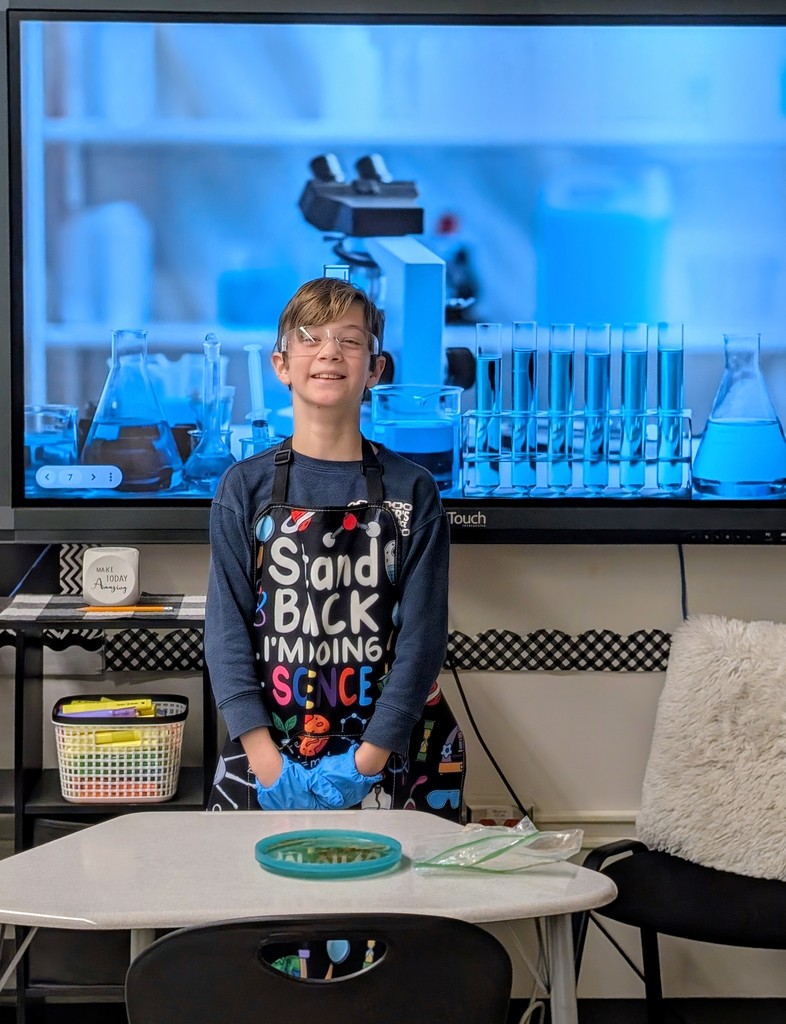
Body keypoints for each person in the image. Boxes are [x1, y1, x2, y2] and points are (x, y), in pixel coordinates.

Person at [205, 277, 463, 815]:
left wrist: (366, 762)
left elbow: (422, 639)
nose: (329, 352)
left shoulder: (413, 490)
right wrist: (266, 763)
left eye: (350, 340)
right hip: (264, 760)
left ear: (375, 368)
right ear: (281, 364)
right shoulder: (242, 489)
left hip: (389, 756)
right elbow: (226, 634)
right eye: (310, 337)